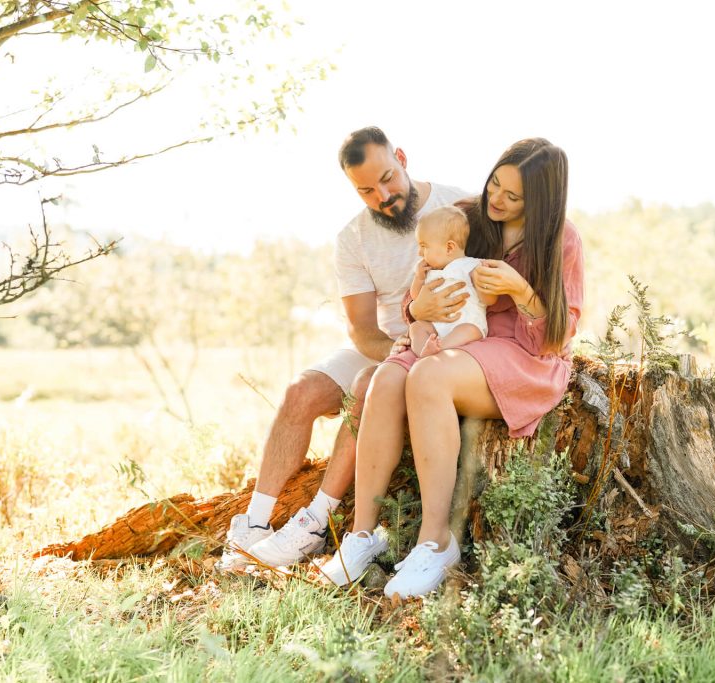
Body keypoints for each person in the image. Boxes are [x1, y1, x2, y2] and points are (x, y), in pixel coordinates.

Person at [320, 138, 585, 600]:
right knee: (387, 378)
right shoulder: (466, 218)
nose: (496, 199)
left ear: (540, 201)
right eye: (495, 183)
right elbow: (423, 287)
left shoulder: (561, 239)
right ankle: (362, 534)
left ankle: (436, 541)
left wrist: (520, 290)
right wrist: (416, 308)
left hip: (520, 353)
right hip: (452, 339)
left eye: (513, 196)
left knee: (429, 376)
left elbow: (560, 334)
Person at [217, 126, 471, 570]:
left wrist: (422, 339)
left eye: (387, 179)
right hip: (388, 343)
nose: (383, 197)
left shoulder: (460, 207)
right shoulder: (353, 238)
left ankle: (316, 522)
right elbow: (362, 331)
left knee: (367, 385)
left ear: (402, 158)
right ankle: (253, 525)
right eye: (366, 191)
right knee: (301, 391)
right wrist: (400, 343)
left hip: (448, 346)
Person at [408, 206, 490, 358]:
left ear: (449, 248)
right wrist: (419, 278)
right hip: (436, 327)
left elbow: (489, 301)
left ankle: (439, 348)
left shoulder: (472, 266)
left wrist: (484, 284)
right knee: (416, 328)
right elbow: (416, 297)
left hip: (465, 323)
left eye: (424, 246)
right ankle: (424, 353)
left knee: (469, 330)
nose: (419, 253)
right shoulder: (429, 271)